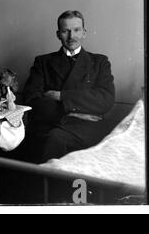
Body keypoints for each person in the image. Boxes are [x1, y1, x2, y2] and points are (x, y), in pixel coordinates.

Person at [22, 10, 115, 163]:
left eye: (77, 30)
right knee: (53, 140)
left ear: (84, 32)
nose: (72, 36)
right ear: (58, 34)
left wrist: (61, 96)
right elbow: (32, 100)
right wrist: (71, 113)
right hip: (53, 124)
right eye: (66, 31)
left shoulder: (99, 62)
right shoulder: (43, 62)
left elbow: (106, 100)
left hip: (88, 127)